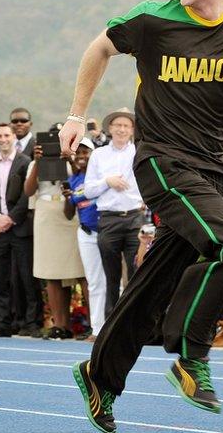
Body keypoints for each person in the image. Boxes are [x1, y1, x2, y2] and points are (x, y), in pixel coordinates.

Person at [59, 0, 223, 431]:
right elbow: (98, 48)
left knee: (154, 282)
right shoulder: (153, 21)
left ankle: (99, 374)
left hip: (212, 170)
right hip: (163, 160)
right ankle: (190, 354)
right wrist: (76, 115)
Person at [24, 129, 84, 339]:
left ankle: (83, 323)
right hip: (45, 215)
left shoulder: (71, 160)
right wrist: (38, 162)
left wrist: (69, 158)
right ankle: (60, 324)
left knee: (75, 270)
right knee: (51, 273)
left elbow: (79, 178)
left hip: (69, 214)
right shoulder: (34, 163)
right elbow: (28, 191)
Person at [84, 107, 144, 317]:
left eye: (126, 126)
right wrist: (107, 182)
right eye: (118, 125)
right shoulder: (99, 155)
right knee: (111, 275)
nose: (121, 129)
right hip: (109, 219)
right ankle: (110, 321)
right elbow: (89, 190)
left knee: (137, 272)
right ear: (109, 128)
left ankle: (134, 320)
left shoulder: (139, 152)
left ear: (132, 130)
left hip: (135, 218)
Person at [0, 123, 38, 337]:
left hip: (20, 227)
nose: (3, 139)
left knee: (26, 278)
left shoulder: (26, 163)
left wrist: (11, 218)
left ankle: (30, 322)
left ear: (14, 137)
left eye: (7, 135)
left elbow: (27, 195)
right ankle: (3, 323)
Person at [65, 138, 106, 341]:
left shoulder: (102, 176)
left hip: (108, 232)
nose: (82, 157)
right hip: (86, 233)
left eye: (86, 152)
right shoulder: (73, 179)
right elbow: (67, 213)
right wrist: (67, 197)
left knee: (114, 281)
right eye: (78, 153)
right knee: (94, 282)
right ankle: (97, 328)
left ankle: (114, 327)